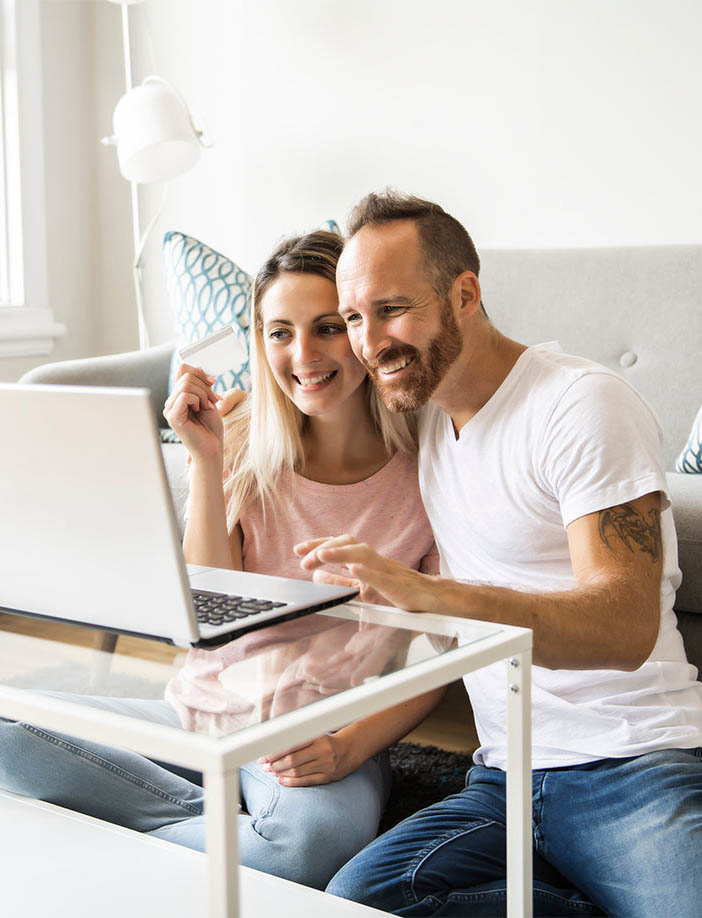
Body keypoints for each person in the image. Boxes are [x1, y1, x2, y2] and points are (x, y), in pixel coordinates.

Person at [293, 193, 702, 917]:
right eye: (354, 318)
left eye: (391, 309)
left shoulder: (579, 404)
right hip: (503, 775)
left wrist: (435, 596)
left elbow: (627, 627)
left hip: (629, 761)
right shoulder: (419, 415)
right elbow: (304, 397)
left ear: (465, 294)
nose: (369, 342)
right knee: (357, 902)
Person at [0, 230, 443, 890]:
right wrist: (206, 462)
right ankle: (221, 835)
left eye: (327, 327)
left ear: (360, 328)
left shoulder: (431, 470)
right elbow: (208, 602)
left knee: (305, 850)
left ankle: (130, 843)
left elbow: (445, 654)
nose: (303, 355)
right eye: (280, 333)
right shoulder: (238, 434)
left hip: (315, 739)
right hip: (200, 714)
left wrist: (346, 747)